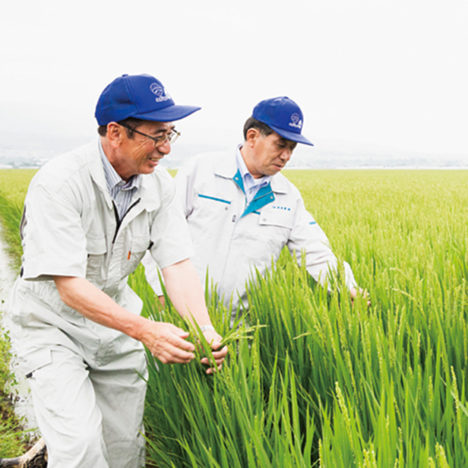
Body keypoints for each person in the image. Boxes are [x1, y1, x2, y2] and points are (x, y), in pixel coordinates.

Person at [6, 73, 227, 468]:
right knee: (80, 446)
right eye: (155, 135)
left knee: (125, 449)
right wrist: (147, 331)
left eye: (170, 135)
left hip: (114, 326)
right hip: (53, 327)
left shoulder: (159, 187)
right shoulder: (60, 184)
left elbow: (175, 262)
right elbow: (70, 287)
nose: (165, 148)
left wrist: (204, 328)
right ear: (115, 132)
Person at [142, 96, 365, 314]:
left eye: (292, 148)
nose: (286, 155)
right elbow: (159, 231)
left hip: (243, 327)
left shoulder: (288, 197)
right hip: (182, 313)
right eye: (280, 145)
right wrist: (159, 290)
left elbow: (315, 251)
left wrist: (346, 287)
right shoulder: (201, 171)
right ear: (252, 136)